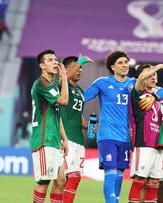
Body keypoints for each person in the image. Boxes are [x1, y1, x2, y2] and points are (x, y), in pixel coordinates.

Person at [83, 51, 163, 203]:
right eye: (120, 63)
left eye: (126, 62)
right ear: (112, 67)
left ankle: (115, 200)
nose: (124, 65)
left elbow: (162, 90)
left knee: (120, 173)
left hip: (126, 136)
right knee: (110, 172)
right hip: (107, 134)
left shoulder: (134, 83)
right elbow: (81, 98)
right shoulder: (102, 82)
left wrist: (154, 96)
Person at [127, 64, 163, 203]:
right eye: (150, 75)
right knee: (139, 181)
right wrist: (158, 66)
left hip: (158, 145)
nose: (154, 77)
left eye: (155, 75)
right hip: (144, 144)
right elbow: (140, 78)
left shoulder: (159, 98)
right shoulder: (137, 94)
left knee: (154, 183)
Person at [31, 49, 69, 203]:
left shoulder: (52, 85)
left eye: (55, 59)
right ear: (42, 65)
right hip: (44, 139)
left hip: (54, 139)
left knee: (61, 181)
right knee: (44, 182)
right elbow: (64, 101)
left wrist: (64, 139)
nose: (55, 62)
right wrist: (64, 76)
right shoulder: (41, 83)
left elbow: (57, 115)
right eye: (50, 60)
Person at [60, 55, 91, 203]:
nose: (79, 70)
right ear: (67, 70)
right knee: (69, 178)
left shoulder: (80, 91)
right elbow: (64, 78)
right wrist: (81, 60)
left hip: (79, 139)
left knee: (73, 178)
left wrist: (89, 126)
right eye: (77, 67)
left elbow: (78, 116)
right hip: (66, 138)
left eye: (81, 68)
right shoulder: (61, 86)